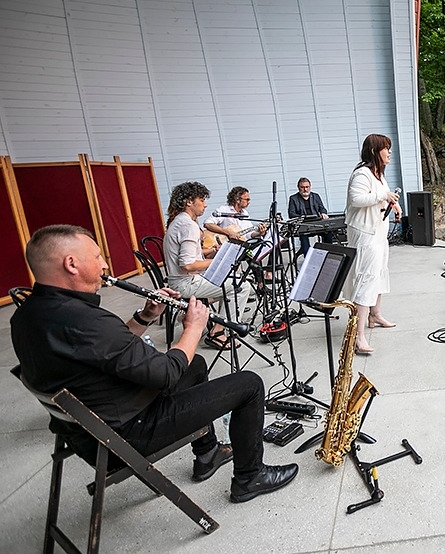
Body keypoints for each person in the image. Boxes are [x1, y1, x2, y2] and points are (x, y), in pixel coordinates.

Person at [10, 225, 298, 503]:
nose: (104, 265)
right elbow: (166, 374)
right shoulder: (86, 322)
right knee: (249, 384)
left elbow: (105, 350)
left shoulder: (28, 314)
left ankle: (207, 452)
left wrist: (145, 317)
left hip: (88, 429)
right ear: (71, 264)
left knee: (194, 363)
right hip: (125, 433)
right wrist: (194, 328)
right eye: (97, 257)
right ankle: (250, 477)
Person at [164, 182, 251, 350]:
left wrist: (211, 251)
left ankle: (216, 321)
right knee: (241, 286)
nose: (205, 204)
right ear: (189, 202)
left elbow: (190, 255)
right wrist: (218, 261)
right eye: (202, 200)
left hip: (182, 280)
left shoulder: (180, 221)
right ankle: (217, 332)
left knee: (233, 280)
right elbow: (188, 265)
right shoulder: (188, 225)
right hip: (185, 283)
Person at [345, 133, 401, 355]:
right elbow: (356, 199)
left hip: (378, 233)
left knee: (378, 273)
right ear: (373, 151)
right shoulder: (362, 174)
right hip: (365, 234)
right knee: (366, 278)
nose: (389, 153)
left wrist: (393, 205)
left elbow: (382, 197)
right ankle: (358, 337)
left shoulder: (379, 175)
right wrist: (383, 196)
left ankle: (375, 315)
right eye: (385, 148)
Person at [288, 177, 335, 256]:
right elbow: (291, 214)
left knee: (328, 232)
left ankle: (327, 254)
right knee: (303, 236)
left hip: (317, 223)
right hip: (304, 224)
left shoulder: (315, 196)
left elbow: (322, 208)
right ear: (298, 188)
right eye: (302, 187)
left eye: (307, 187)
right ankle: (308, 257)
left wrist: (323, 213)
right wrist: (302, 218)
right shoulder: (293, 198)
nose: (305, 189)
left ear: (310, 187)